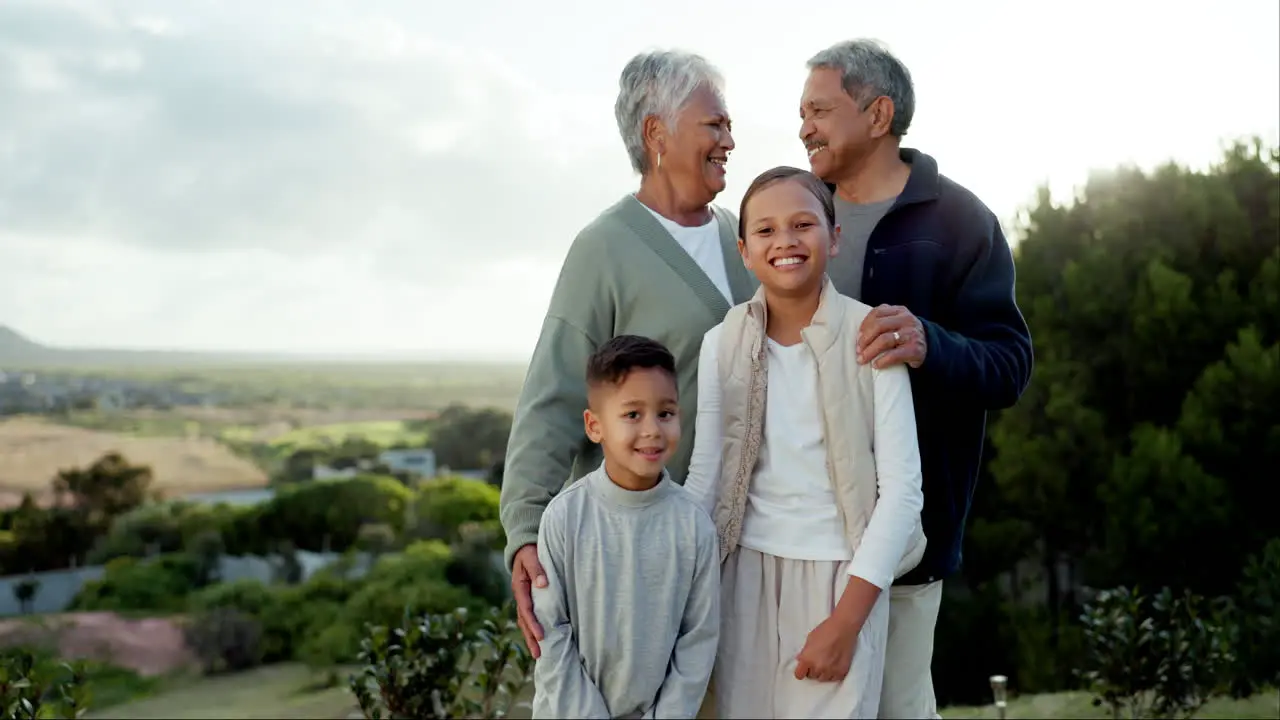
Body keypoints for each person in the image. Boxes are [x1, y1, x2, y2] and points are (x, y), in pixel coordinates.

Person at [798, 39, 1035, 718]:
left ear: (878, 115)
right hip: (798, 535)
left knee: (899, 706)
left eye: (820, 109)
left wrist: (930, 343)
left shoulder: (961, 222)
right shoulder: (796, 212)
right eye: (802, 112)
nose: (804, 126)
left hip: (907, 541)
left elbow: (1009, 365)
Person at [500, 49, 756, 660]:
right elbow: (553, 397)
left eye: (728, 125)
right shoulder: (604, 248)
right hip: (641, 550)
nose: (730, 140)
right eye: (714, 125)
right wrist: (526, 531)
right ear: (655, 133)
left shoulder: (743, 235)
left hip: (746, 540)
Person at [683, 166, 925, 719]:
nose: (785, 241)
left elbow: (904, 493)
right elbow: (705, 477)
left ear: (833, 237)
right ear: (744, 250)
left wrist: (846, 621)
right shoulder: (722, 342)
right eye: (765, 231)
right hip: (740, 575)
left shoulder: (872, 337)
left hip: (843, 577)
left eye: (802, 224)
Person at [531, 334, 719, 719]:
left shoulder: (694, 525)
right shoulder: (564, 517)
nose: (652, 429)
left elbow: (697, 640)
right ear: (595, 426)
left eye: (665, 413)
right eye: (633, 414)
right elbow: (551, 633)